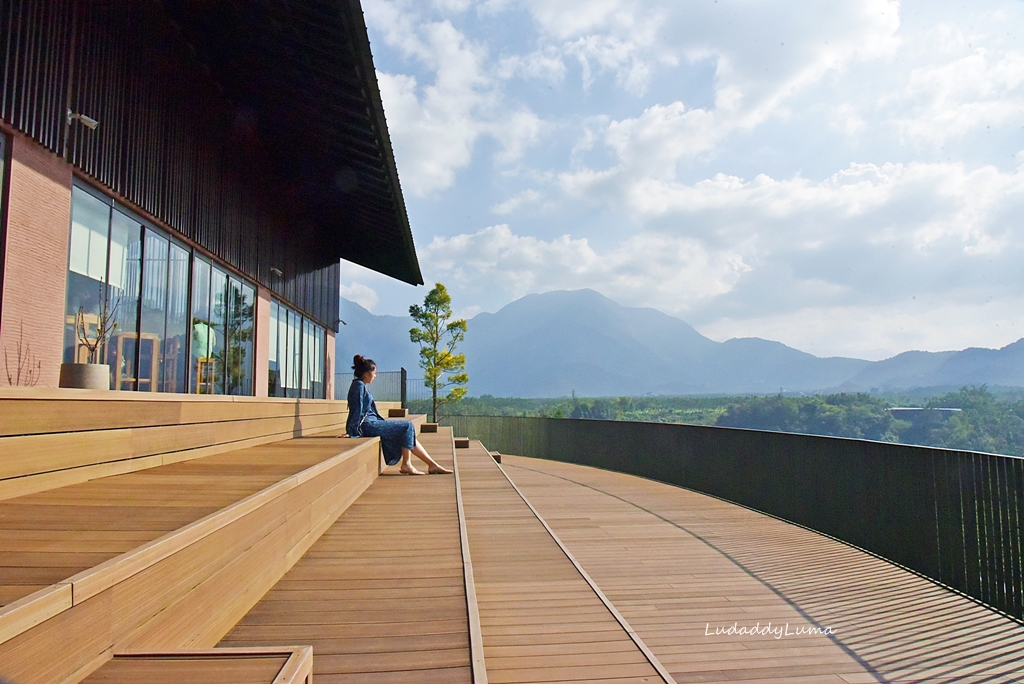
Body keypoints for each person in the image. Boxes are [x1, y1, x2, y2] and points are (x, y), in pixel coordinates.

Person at [346, 355, 452, 475]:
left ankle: (432, 465)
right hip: (367, 425)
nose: (375, 376)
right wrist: (352, 431)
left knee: (408, 429)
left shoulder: (360, 385)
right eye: (374, 373)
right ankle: (407, 465)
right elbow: (356, 408)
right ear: (366, 374)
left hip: (370, 423)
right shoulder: (359, 386)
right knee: (407, 426)